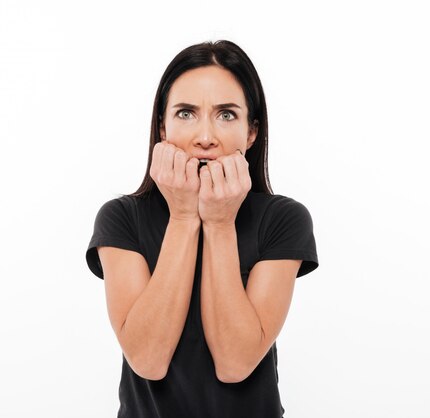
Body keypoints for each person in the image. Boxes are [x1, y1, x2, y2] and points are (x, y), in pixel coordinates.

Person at [85, 40, 319, 418]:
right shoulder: (121, 217)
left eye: (226, 115)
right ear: (162, 127)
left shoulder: (283, 219)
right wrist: (183, 217)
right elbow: (147, 359)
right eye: (186, 113)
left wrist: (220, 221)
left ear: (252, 132)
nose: (205, 136)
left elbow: (235, 362)